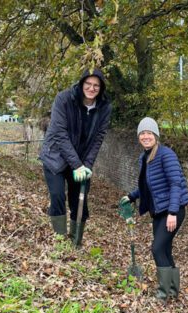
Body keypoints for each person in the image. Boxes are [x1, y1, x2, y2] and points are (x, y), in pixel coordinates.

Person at [119, 117, 188, 303]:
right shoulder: (145, 157)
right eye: (142, 133)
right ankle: (173, 292)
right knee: (165, 249)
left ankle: (162, 294)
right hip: (158, 211)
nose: (145, 136)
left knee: (157, 248)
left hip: (173, 210)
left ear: (156, 135)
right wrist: (132, 196)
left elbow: (176, 183)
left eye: (149, 133)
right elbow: (148, 186)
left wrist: (173, 212)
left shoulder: (166, 155)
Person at [39, 68, 112, 246]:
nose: (92, 88)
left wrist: (86, 165)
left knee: (79, 200)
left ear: (101, 88)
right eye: (88, 84)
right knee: (57, 196)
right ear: (81, 84)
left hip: (80, 161)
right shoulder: (64, 99)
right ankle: (60, 239)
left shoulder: (104, 107)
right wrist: (77, 164)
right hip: (55, 156)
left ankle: (76, 241)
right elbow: (59, 133)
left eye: (96, 85)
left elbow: (99, 137)